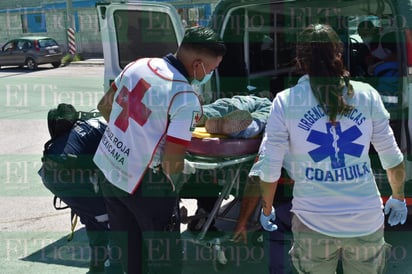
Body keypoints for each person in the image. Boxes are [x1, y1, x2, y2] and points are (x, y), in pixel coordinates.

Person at [250, 24, 406, 274]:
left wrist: (266, 208)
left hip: (313, 224)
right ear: (340, 53)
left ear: (300, 60)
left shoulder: (286, 101)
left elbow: (269, 167)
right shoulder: (367, 95)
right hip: (365, 221)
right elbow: (392, 157)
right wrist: (398, 197)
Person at [92, 26, 226, 274]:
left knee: (131, 255)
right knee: (164, 260)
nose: (209, 74)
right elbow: (171, 162)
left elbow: (105, 107)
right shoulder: (184, 97)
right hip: (146, 186)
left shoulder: (138, 65)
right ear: (198, 64)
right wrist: (182, 177)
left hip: (110, 170)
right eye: (212, 69)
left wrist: (131, 140)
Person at [39, 111, 120, 274]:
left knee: (95, 220)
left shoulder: (90, 120)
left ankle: (97, 268)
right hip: (66, 175)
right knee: (110, 221)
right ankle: (113, 269)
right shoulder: (117, 129)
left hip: (50, 171)